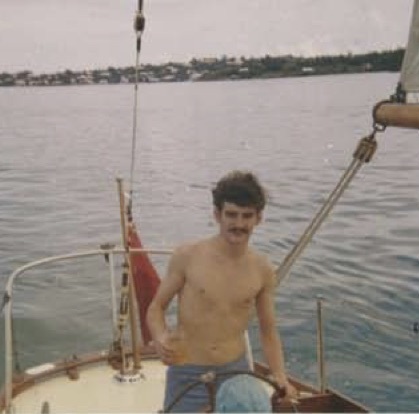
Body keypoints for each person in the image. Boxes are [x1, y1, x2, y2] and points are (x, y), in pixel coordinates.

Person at [146, 170, 297, 412]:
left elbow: (268, 331)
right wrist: (160, 338)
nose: (239, 224)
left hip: (235, 372)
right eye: (231, 215)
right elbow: (156, 308)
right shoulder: (187, 256)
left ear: (259, 218)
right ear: (217, 215)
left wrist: (280, 375)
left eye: (247, 216)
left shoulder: (263, 270)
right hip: (188, 372)